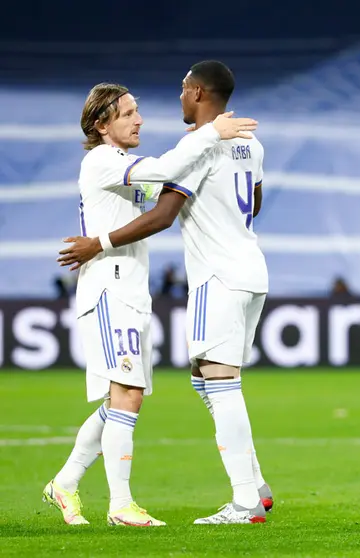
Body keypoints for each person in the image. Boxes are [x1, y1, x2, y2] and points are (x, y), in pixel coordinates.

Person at [57, 61, 271, 524]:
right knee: (152, 389)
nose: (142, 118)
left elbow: (162, 215)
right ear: (102, 124)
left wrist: (101, 240)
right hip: (235, 271)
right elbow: (252, 201)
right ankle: (111, 499)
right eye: (129, 113)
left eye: (179, 91)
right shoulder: (249, 142)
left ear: (195, 92)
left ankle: (247, 496)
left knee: (203, 382)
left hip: (212, 275)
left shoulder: (194, 151)